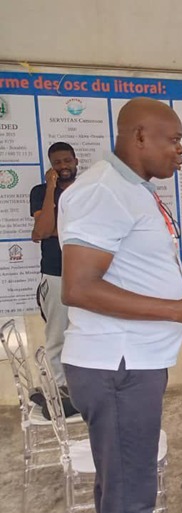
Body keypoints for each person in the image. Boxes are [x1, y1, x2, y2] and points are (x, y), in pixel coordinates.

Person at [57, 97, 182, 513]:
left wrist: (179, 283)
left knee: (122, 485)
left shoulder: (133, 188)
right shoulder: (103, 191)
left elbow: (124, 267)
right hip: (118, 366)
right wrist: (178, 310)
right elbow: (79, 287)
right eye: (174, 140)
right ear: (140, 136)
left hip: (130, 362)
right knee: (130, 497)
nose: (180, 150)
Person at [29, 142, 78, 388]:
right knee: (57, 337)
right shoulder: (40, 192)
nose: (63, 166)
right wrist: (51, 188)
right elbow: (41, 231)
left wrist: (57, 231)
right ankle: (60, 391)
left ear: (76, 161)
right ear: (51, 167)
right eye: (57, 163)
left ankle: (80, 388)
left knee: (86, 334)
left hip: (89, 275)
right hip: (55, 274)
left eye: (67, 160)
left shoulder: (87, 190)